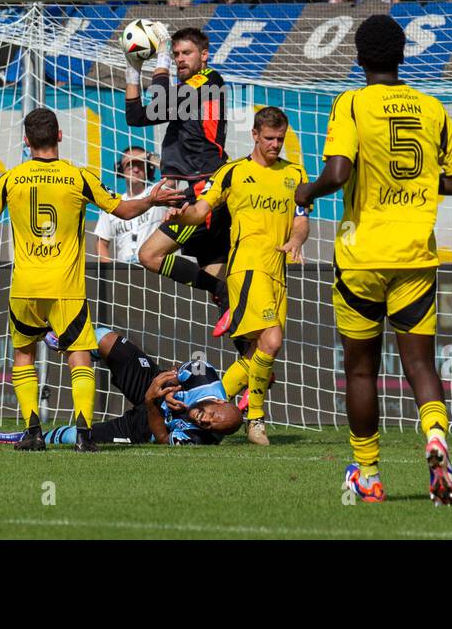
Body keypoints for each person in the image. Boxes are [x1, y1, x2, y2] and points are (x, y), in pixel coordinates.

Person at [0, 108, 182, 451]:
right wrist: (151, 199)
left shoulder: (12, 179)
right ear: (59, 136)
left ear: (26, 142)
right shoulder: (77, 176)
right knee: (80, 356)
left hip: (25, 286)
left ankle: (33, 432)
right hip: (66, 287)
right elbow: (123, 210)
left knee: (24, 354)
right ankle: (84, 434)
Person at [295, 14, 452, 504]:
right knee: (419, 364)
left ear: (358, 58)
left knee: (360, 371)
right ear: (402, 55)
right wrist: (414, 184)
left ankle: (367, 474)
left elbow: (337, 172)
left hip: (362, 255)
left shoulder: (352, 102)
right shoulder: (430, 106)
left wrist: (304, 192)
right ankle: (435, 435)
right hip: (415, 254)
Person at [171, 107, 309, 446]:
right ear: (255, 136)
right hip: (247, 268)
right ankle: (256, 418)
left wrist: (295, 240)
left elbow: (301, 218)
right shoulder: (233, 173)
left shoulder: (296, 173)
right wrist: (183, 215)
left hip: (278, 272)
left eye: (280, 138)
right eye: (270, 139)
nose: (276, 144)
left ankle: (191, 405)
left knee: (256, 353)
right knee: (271, 341)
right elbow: (202, 209)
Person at [124, 26, 232, 323]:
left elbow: (158, 103)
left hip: (203, 192)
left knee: (149, 255)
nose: (180, 59)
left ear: (205, 56)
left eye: (186, 53)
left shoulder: (208, 81)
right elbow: (135, 117)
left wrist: (161, 57)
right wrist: (132, 69)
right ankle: (253, 359)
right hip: (198, 190)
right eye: (175, 54)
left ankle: (222, 291)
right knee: (222, 299)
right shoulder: (184, 95)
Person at [0, 327, 242, 447]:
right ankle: (64, 341)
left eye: (210, 426)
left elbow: (163, 439)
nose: (204, 421)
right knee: (107, 339)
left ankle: (26, 436)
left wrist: (152, 403)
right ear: (218, 401)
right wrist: (167, 388)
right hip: (153, 382)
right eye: (210, 416)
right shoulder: (204, 374)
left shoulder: (201, 438)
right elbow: (174, 373)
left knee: (82, 436)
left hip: (147, 424)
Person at [94, 146, 167, 263]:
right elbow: (101, 243)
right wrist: (113, 274)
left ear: (148, 168)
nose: (136, 169)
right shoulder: (114, 202)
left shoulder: (157, 192)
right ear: (121, 169)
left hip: (157, 269)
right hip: (126, 276)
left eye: (140, 164)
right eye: (130, 164)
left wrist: (148, 156)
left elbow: (171, 175)